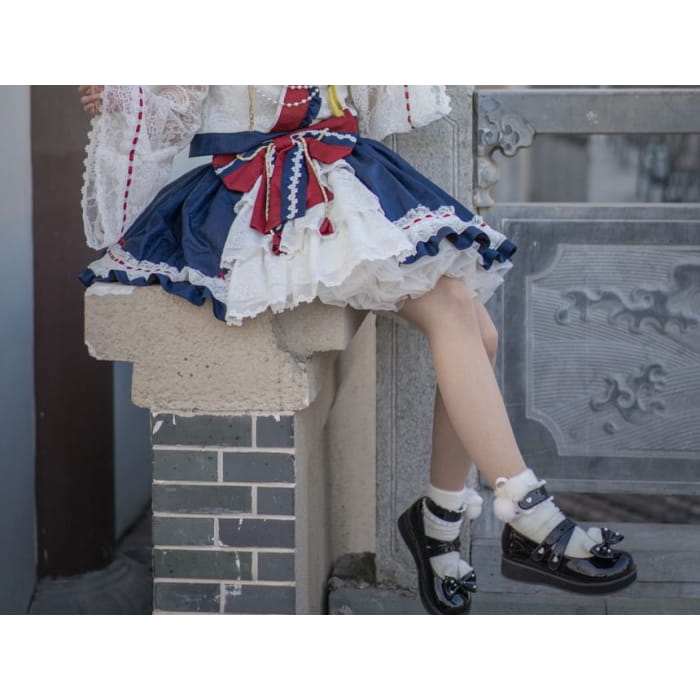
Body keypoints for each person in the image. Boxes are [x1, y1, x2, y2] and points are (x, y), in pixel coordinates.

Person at [79, 85, 636, 615]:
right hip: (266, 200)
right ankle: (526, 514)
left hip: (341, 180)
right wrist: (128, 96)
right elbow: (171, 114)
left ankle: (441, 520)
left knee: (476, 329)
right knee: (451, 309)